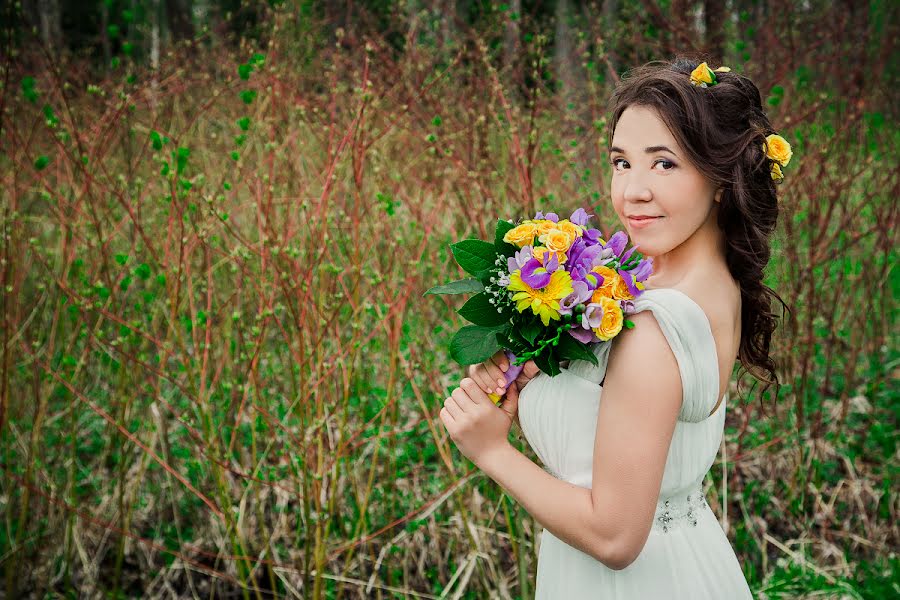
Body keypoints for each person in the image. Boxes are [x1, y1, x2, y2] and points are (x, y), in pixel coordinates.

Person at [438, 58, 789, 598]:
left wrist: (490, 450)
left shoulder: (655, 327)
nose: (633, 192)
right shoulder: (685, 279)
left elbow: (614, 536)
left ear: (722, 178)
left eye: (665, 164)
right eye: (622, 162)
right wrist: (539, 372)